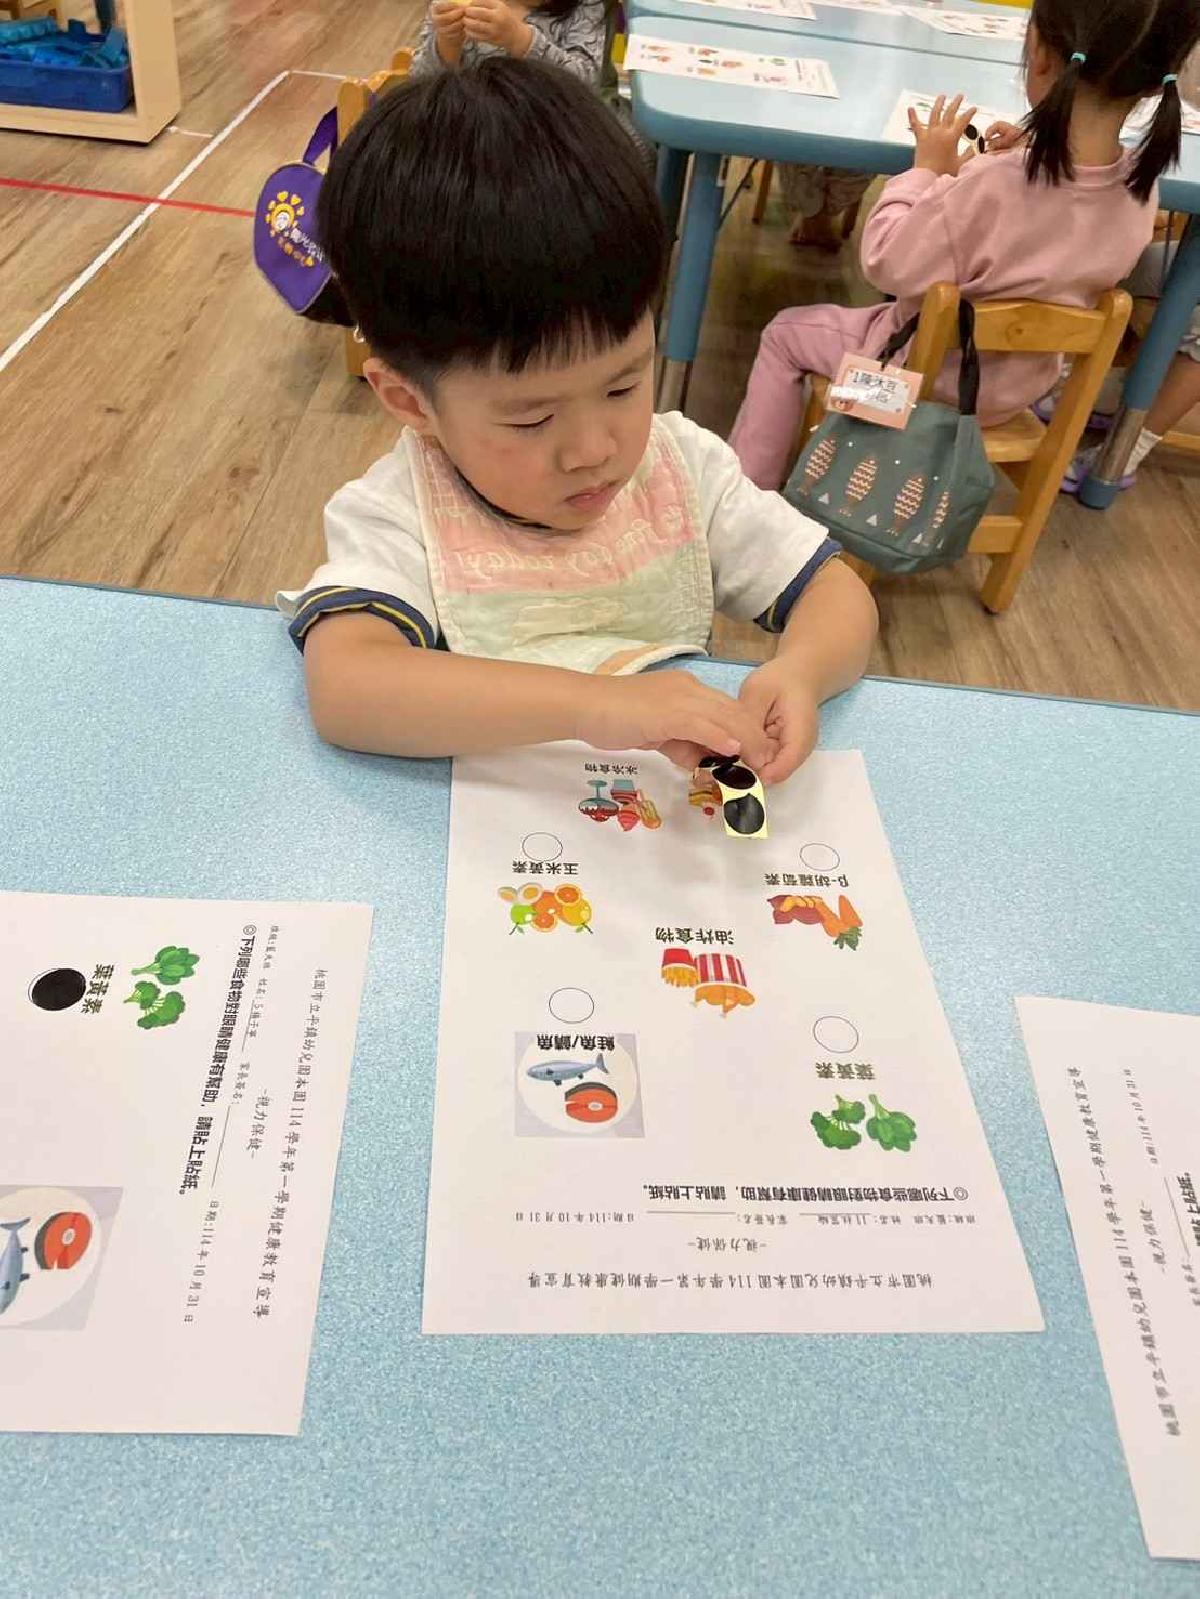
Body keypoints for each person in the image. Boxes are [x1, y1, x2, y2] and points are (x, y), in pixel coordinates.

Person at [277, 60, 876, 784]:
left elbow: (836, 592)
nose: (595, 450)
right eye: (532, 419)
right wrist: (598, 706)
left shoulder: (682, 471)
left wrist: (801, 672)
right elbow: (347, 690)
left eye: (623, 385)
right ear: (411, 402)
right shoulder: (402, 513)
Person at [729, 0, 1200, 492]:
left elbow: (885, 262)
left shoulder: (993, 183)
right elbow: (1063, 222)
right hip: (1015, 392)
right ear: (1156, 83)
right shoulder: (1141, 191)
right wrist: (1024, 148)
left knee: (784, 334)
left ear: (1038, 51)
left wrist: (926, 172)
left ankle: (747, 493)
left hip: (916, 383)